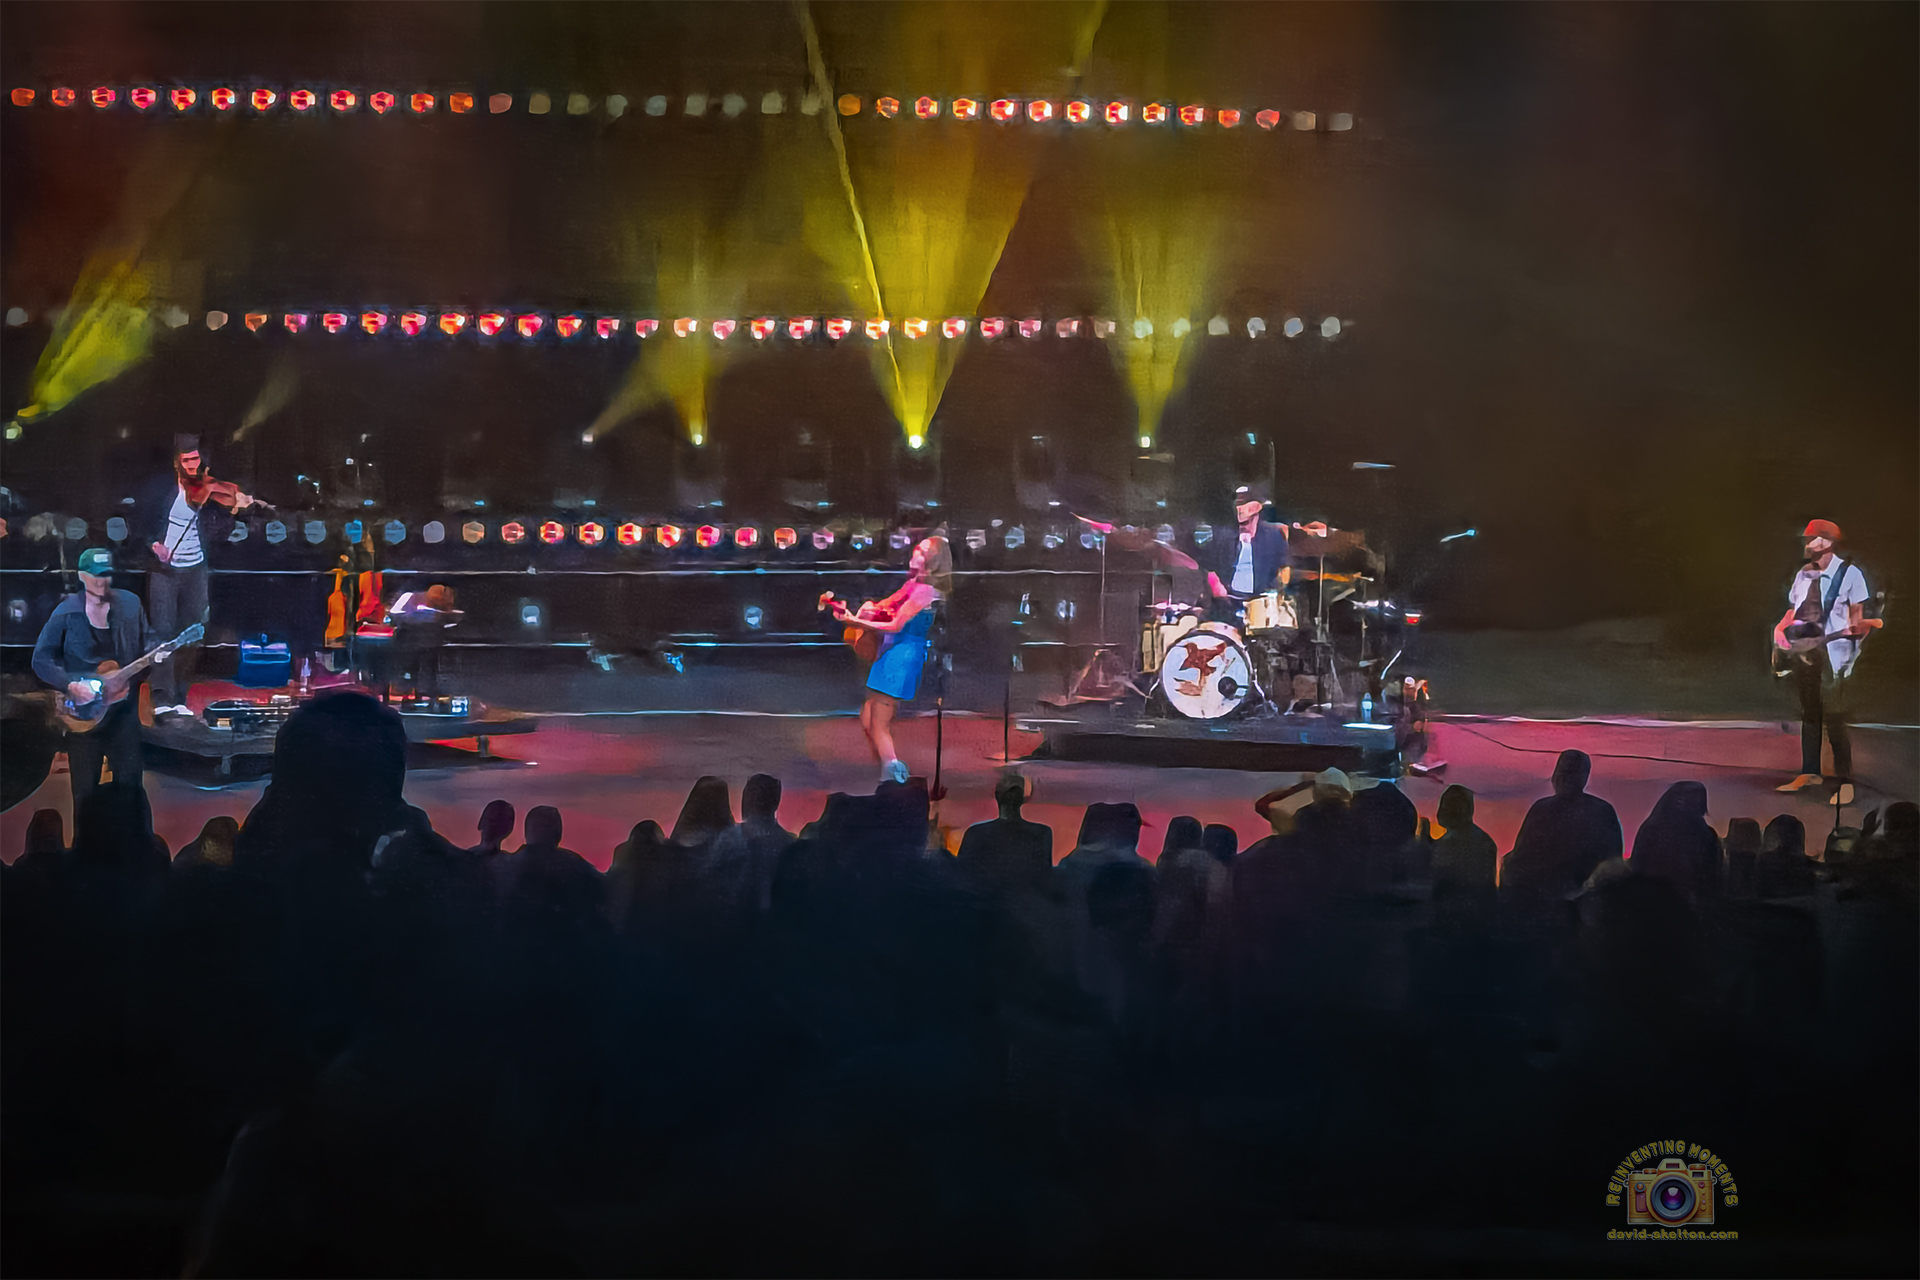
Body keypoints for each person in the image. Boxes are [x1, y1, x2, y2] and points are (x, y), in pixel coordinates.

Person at [31, 548, 161, 812]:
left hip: (122, 715)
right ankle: (85, 849)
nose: (101, 582)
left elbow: (147, 643)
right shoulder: (66, 612)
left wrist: (158, 653)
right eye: (95, 576)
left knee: (131, 791)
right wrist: (70, 684)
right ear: (82, 575)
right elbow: (41, 659)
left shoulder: (130, 605)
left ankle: (134, 846)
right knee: (85, 796)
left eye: (106, 575)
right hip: (84, 721)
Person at [143, 434, 258, 717]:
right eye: (186, 461)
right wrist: (154, 545)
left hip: (196, 569)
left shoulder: (206, 489)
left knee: (191, 635)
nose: (192, 466)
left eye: (195, 460)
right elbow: (141, 523)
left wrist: (236, 508)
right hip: (165, 571)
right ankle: (162, 698)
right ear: (176, 463)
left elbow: (218, 532)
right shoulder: (161, 491)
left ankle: (181, 694)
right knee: (163, 634)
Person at [831, 534, 950, 784]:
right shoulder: (913, 585)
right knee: (868, 718)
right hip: (892, 653)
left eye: (922, 552)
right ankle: (887, 769)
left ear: (933, 561)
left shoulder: (925, 592)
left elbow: (895, 626)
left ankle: (895, 775)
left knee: (879, 723)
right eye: (917, 549)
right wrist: (862, 610)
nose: (915, 553)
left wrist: (853, 621)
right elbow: (884, 606)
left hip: (902, 657)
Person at [1772, 519, 1872, 807]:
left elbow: (1857, 619)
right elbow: (1794, 610)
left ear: (1826, 542)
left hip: (1834, 655)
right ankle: (1810, 772)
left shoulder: (1851, 575)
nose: (1806, 544)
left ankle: (1845, 782)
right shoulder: (1803, 575)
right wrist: (1780, 629)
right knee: (1810, 714)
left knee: (1836, 719)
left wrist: (1857, 636)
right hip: (1806, 652)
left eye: (1811, 539)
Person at [1499, 749, 1625, 905]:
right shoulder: (1603, 810)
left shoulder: (1543, 809)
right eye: (1564, 772)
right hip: (1588, 899)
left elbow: (1521, 859)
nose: (1563, 778)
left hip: (1556, 898)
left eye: (1569, 772)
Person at [1204, 482, 1326, 615]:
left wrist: (1270, 595)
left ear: (1257, 507)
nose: (1240, 509)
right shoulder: (1222, 534)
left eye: (1245, 505)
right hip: (1228, 599)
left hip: (1260, 600)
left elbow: (1283, 567)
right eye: (1238, 504)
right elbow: (1208, 565)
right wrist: (1216, 586)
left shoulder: (1274, 534)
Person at [955, 773, 1053, 898]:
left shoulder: (977, 832)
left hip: (995, 902)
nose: (1012, 798)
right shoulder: (1041, 833)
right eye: (1011, 793)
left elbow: (962, 875)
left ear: (997, 796)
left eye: (1014, 793)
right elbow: (1044, 877)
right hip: (1019, 903)